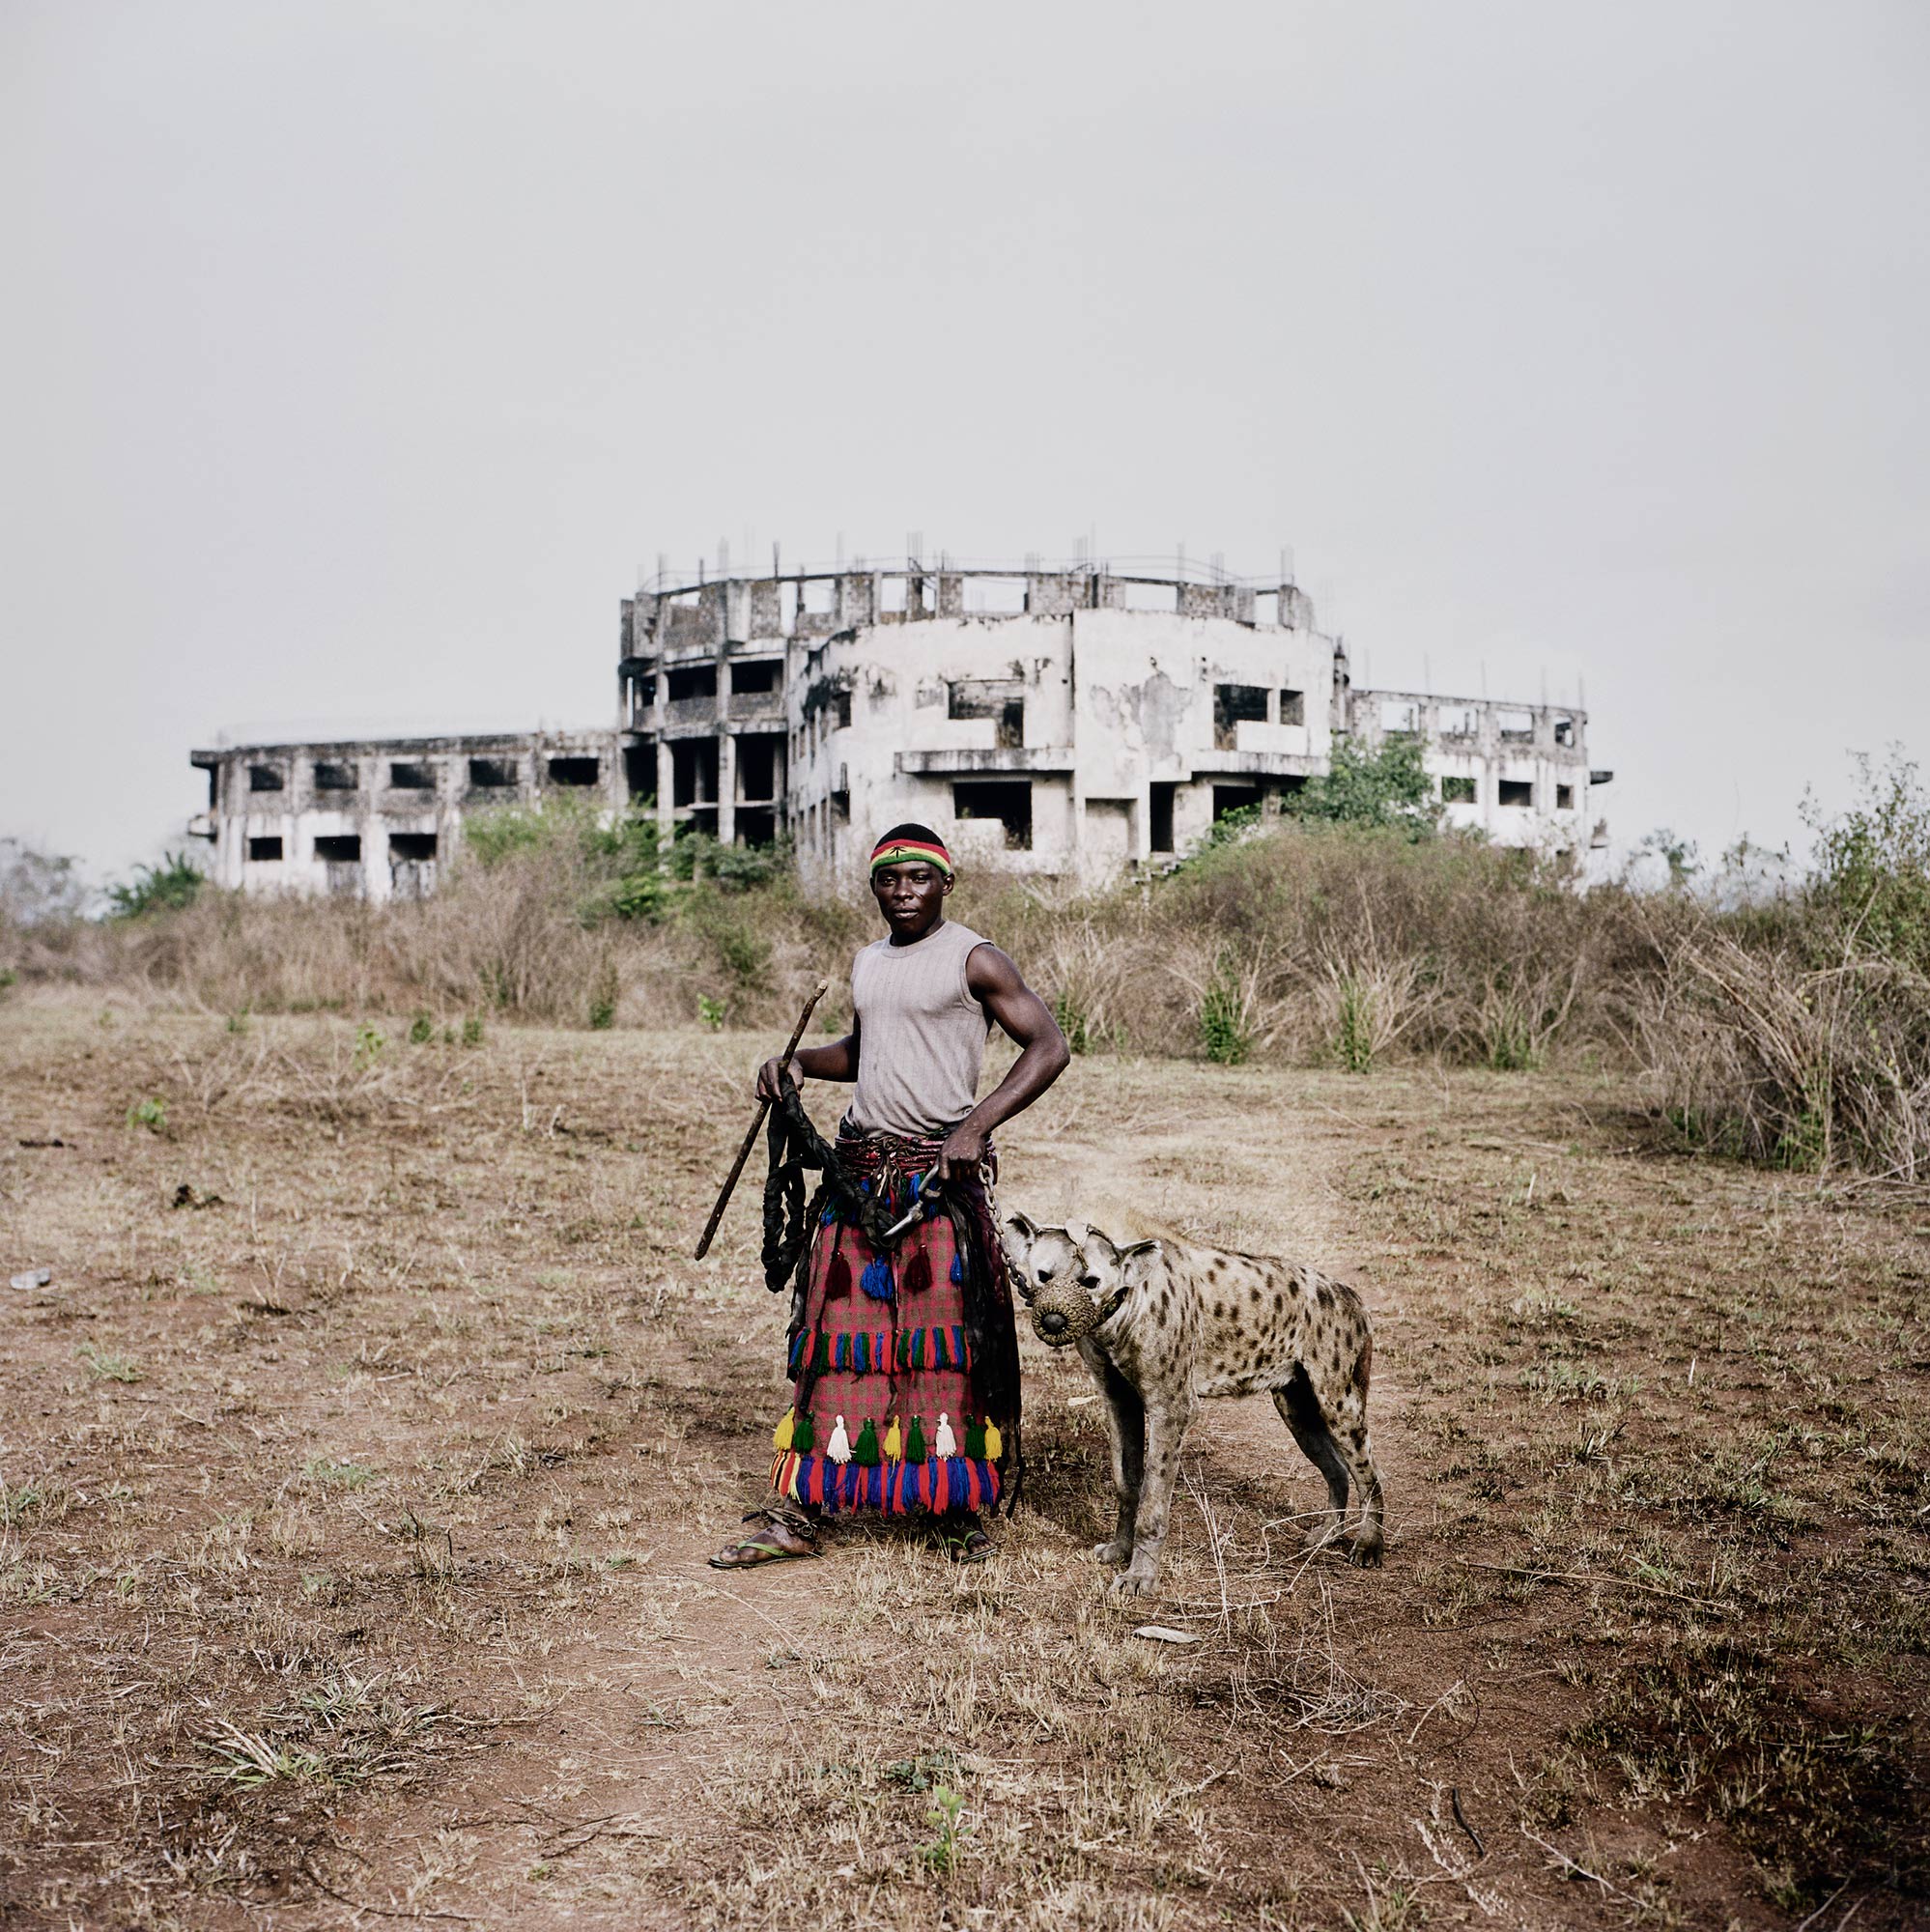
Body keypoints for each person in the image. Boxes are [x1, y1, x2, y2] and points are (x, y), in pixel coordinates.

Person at [710, 823, 1069, 1567]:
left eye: (918, 878)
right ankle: (802, 1513)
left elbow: (1049, 1046)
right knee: (839, 1345)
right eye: (888, 880)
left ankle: (953, 1510)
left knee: (945, 1351)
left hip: (937, 1179)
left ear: (945, 882)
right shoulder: (868, 962)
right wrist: (798, 1062)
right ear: (874, 886)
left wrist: (975, 1125)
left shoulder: (976, 958)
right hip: (858, 1171)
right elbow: (868, 1050)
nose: (902, 891)